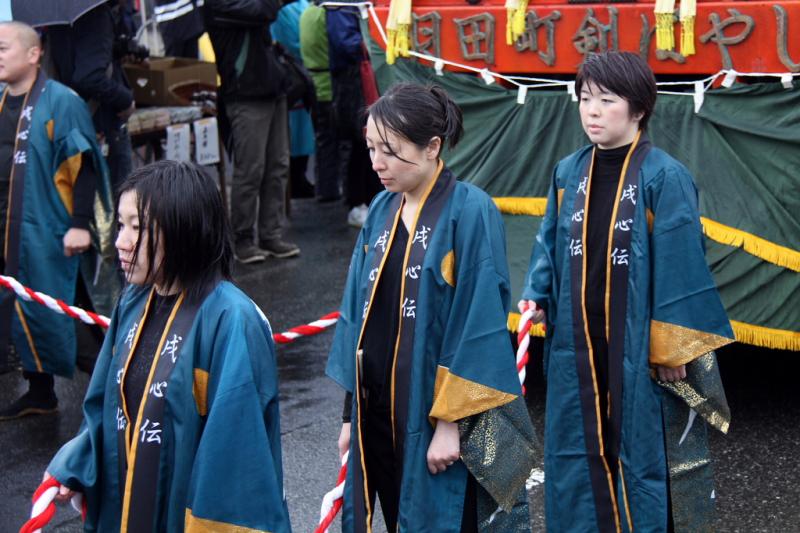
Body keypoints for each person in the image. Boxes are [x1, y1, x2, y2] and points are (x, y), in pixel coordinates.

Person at [520, 51, 734, 531]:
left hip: (636, 344)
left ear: (638, 108)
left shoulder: (663, 176)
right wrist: (537, 293)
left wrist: (672, 346)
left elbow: (681, 263)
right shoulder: (568, 171)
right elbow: (549, 241)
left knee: (640, 450)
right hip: (576, 339)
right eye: (585, 99)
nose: (591, 111)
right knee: (575, 447)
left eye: (606, 100)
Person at [327, 83, 536, 532]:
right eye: (371, 148)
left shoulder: (470, 210)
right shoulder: (381, 209)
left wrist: (449, 423)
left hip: (435, 409)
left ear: (432, 147)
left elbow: (477, 322)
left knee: (446, 517)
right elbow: (357, 317)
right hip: (378, 409)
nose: (377, 163)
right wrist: (350, 416)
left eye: (390, 150)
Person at [45, 161, 292, 532]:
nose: (121, 242)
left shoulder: (231, 319)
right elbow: (104, 406)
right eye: (121, 225)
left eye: (138, 228)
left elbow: (236, 458)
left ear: (183, 229)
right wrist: (76, 465)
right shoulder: (133, 302)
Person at [0, 22, 115, 419]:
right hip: (8, 226)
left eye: (3, 48)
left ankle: (118, 390)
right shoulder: (2, 101)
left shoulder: (61, 101)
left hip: (45, 225)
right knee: (21, 307)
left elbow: (82, 164)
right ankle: (40, 392)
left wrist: (80, 223)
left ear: (34, 54)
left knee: (60, 310)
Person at [206, 0, 300, 263]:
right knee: (251, 169)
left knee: (278, 165)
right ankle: (243, 238)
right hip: (244, 93)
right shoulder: (219, 4)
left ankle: (271, 234)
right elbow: (264, 11)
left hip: (273, 87)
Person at [44, 0, 137, 191]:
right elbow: (89, 77)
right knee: (117, 199)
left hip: (71, 122)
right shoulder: (96, 15)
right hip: (100, 122)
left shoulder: (59, 15)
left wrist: (116, 50)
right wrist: (125, 100)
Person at [326, 4, 382, 227]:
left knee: (373, 143)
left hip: (365, 77)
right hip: (354, 81)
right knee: (361, 144)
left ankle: (374, 201)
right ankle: (358, 203)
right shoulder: (341, 6)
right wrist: (377, 42)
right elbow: (346, 43)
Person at [272, 0, 316, 199]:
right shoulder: (283, 9)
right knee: (294, 133)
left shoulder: (298, 5)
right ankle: (295, 180)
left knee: (302, 132)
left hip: (301, 75)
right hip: (293, 74)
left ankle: (299, 178)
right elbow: (292, 41)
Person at [299, 0, 340, 202]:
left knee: (322, 140)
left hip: (312, 84)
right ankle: (331, 189)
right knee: (335, 141)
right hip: (329, 85)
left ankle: (324, 187)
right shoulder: (327, 15)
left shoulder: (306, 13)